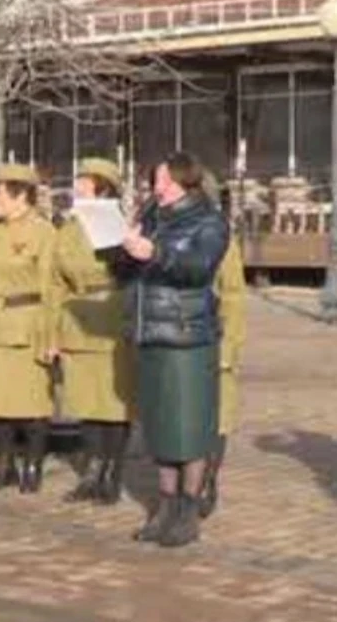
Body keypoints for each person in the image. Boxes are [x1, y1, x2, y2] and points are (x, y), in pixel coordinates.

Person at [101, 153, 231, 548]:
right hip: (150, 332)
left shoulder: (209, 221)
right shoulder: (153, 216)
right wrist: (118, 247)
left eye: (162, 180)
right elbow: (124, 275)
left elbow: (198, 267)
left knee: (188, 427)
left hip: (186, 334)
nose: (155, 187)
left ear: (182, 182)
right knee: (159, 426)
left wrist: (155, 252)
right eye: (155, 180)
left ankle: (188, 510)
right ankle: (164, 505)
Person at [0, 164, 60, 493]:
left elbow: (52, 286)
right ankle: (4, 465)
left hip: (27, 324)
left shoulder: (43, 232)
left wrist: (51, 333)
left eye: (0, 194)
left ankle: (32, 466)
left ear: (21, 195)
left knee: (32, 403)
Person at [55, 158, 135, 505]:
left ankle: (111, 474)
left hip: (111, 316)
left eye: (85, 181)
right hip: (78, 317)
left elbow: (129, 269)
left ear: (102, 185)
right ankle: (92, 472)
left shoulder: (115, 221)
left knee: (114, 405)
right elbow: (55, 274)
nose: (78, 185)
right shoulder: (69, 226)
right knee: (86, 401)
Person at [203, 173, 247, 519]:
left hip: (211, 335)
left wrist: (229, 346)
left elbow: (232, 294)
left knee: (216, 415)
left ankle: (208, 479)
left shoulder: (221, 240)